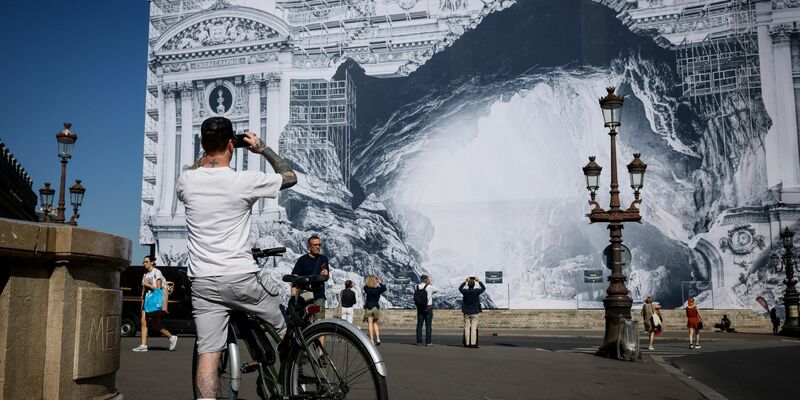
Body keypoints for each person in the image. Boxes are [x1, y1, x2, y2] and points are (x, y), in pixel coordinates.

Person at [177, 116, 297, 400]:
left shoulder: (187, 180)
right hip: (241, 277)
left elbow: (200, 166)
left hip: (203, 281)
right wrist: (261, 148)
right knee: (284, 327)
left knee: (208, 354)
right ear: (232, 144)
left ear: (203, 144)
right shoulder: (243, 181)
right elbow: (290, 177)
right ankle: (299, 372)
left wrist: (211, 149)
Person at [132, 256, 178, 352]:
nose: (144, 263)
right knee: (148, 322)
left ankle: (171, 337)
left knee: (151, 323)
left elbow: (158, 289)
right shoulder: (145, 274)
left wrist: (147, 284)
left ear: (152, 262)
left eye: (146, 261)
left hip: (155, 300)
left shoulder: (157, 272)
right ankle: (145, 345)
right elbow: (144, 289)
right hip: (147, 300)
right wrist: (142, 298)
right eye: (144, 262)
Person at [290, 235, 330, 321]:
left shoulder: (324, 259)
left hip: (319, 295)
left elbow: (326, 277)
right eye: (315, 245)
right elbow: (295, 277)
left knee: (319, 321)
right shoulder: (302, 260)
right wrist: (294, 295)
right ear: (309, 246)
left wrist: (326, 274)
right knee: (304, 320)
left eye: (319, 245)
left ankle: (319, 334)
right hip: (305, 296)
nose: (318, 247)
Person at [459, 276, 486, 348]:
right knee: (474, 328)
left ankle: (467, 343)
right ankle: (473, 343)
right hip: (474, 311)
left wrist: (465, 281)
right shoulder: (476, 291)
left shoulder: (465, 291)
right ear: (474, 285)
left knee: (467, 327)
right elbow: (483, 288)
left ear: (468, 285)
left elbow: (460, 288)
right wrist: (479, 281)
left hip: (466, 311)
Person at [363, 275, 387, 345]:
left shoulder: (366, 289)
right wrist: (379, 282)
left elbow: (365, 286)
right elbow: (384, 288)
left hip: (369, 308)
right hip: (376, 308)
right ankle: (378, 339)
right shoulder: (378, 290)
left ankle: (371, 340)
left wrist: (369, 280)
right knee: (375, 323)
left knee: (370, 324)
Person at [415, 275, 437, 346]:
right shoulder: (430, 287)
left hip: (420, 308)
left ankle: (419, 341)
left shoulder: (417, 286)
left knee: (419, 325)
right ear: (426, 280)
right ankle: (428, 342)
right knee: (428, 326)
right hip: (428, 308)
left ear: (421, 279)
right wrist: (429, 283)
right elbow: (437, 290)